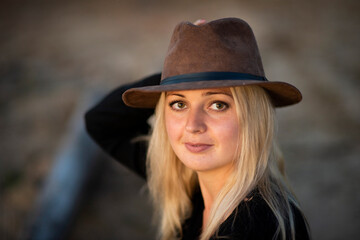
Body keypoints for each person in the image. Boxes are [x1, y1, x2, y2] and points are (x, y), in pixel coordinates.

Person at [85, 18, 310, 240]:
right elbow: (101, 122)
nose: (193, 126)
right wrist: (180, 69)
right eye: (179, 104)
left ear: (253, 117)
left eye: (218, 105)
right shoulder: (187, 183)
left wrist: (177, 80)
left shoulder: (262, 227)